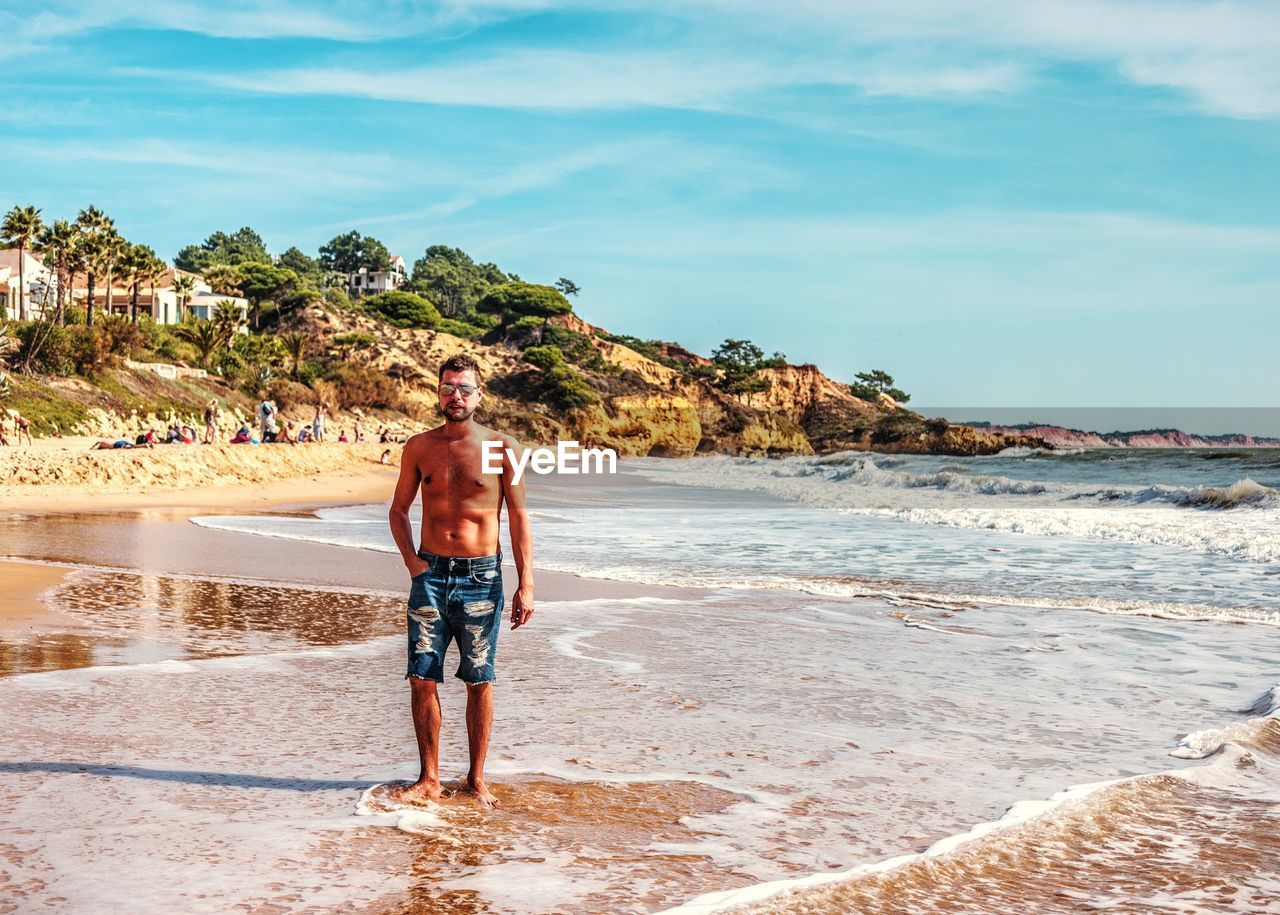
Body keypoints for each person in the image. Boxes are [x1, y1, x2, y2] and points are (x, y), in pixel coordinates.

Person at [387, 353, 534, 809]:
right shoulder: (419, 446)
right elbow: (398, 511)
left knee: (479, 680)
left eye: (464, 389)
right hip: (430, 576)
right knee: (421, 678)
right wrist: (413, 563)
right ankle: (429, 778)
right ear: (438, 392)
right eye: (448, 387)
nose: (456, 396)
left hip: (480, 577)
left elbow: (519, 518)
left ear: (479, 395)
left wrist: (526, 582)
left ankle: (475, 778)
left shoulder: (503, 448)